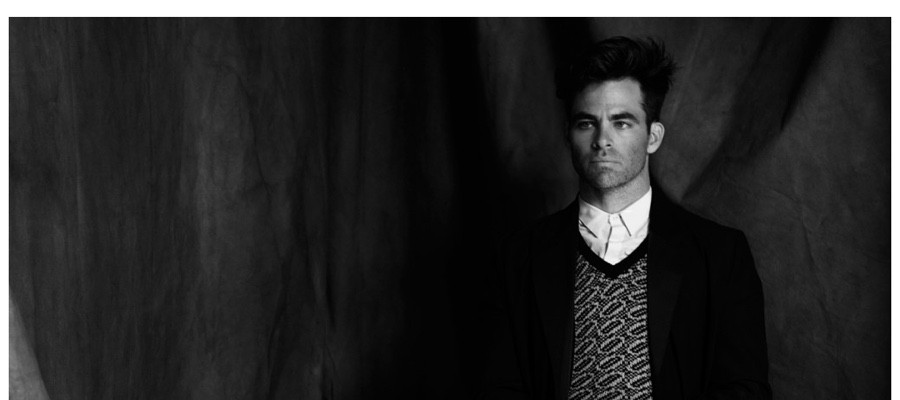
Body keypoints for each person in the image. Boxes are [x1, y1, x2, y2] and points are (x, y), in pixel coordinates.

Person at [481, 37, 771, 400]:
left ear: (653, 136)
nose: (602, 140)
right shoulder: (517, 258)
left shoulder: (721, 255)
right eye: (586, 123)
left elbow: (745, 390)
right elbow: (498, 389)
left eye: (621, 123)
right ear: (568, 135)